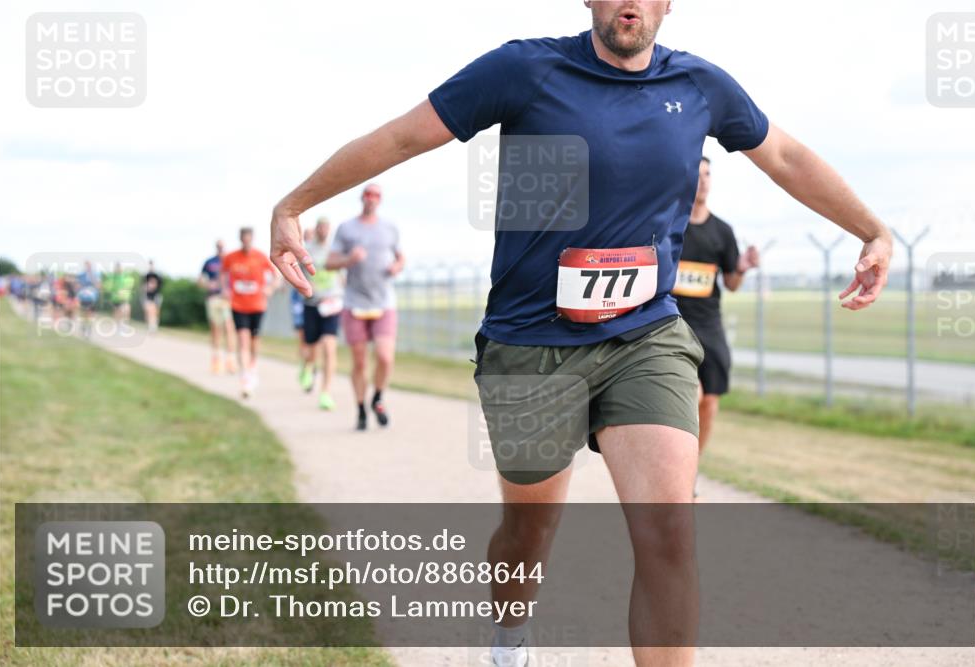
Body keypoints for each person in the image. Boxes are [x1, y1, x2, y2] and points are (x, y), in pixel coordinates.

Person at [268, 2, 892, 664]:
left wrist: (872, 230)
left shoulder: (700, 86)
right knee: (529, 533)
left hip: (645, 335)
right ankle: (510, 635)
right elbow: (402, 137)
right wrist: (294, 204)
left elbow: (786, 155)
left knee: (669, 532)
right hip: (531, 343)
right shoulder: (524, 69)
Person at [672, 157, 759, 490]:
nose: (704, 181)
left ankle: (690, 472)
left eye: (708, 175)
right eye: (698, 175)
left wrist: (743, 268)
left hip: (709, 326)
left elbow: (731, 283)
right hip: (672, 324)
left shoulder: (722, 231)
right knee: (690, 397)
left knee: (709, 402)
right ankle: (675, 472)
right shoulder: (670, 226)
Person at [325, 184, 404, 430]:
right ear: (362, 198)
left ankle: (377, 398)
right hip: (354, 303)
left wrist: (397, 267)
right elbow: (329, 262)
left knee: (385, 357)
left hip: (383, 302)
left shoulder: (389, 228)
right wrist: (349, 259)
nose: (371, 199)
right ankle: (360, 408)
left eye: (375, 196)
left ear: (380, 200)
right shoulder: (346, 228)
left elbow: (401, 257)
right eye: (368, 195)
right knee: (359, 362)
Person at [222, 227, 280, 398]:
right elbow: (223, 274)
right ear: (240, 239)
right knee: (242, 339)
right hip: (238, 305)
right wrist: (225, 289)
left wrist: (270, 288)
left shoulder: (260, 257)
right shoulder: (231, 257)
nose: (246, 242)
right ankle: (245, 376)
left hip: (257, 305)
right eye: (244, 239)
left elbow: (276, 276)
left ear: (252, 239)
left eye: (249, 239)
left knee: (254, 340)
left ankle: (253, 366)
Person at [299, 217, 343, 410]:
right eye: (320, 227)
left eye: (326, 227)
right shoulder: (306, 249)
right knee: (311, 347)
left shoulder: (336, 250)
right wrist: (307, 285)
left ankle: (325, 392)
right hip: (312, 304)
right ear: (316, 229)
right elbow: (297, 272)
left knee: (329, 346)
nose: (323, 230)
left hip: (332, 304)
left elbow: (343, 274)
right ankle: (308, 366)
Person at [199, 241, 237, 374]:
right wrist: (208, 284)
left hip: (227, 300)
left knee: (229, 328)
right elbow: (200, 280)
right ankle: (216, 360)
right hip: (213, 298)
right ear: (216, 247)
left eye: (222, 247)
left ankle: (230, 360)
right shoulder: (209, 262)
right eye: (219, 247)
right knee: (216, 330)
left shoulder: (230, 261)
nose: (221, 249)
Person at [294, 227, 316, 391]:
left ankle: (309, 366)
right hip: (299, 300)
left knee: (314, 339)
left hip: (315, 301)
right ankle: (305, 364)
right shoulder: (296, 254)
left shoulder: (318, 255)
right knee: (302, 337)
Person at [142, 260, 164, 333]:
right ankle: (150, 325)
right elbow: (143, 286)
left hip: (156, 295)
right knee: (148, 310)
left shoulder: (157, 276)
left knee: (155, 311)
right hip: (148, 296)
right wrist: (146, 287)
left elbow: (160, 285)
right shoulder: (146, 276)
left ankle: (153, 325)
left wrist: (154, 285)